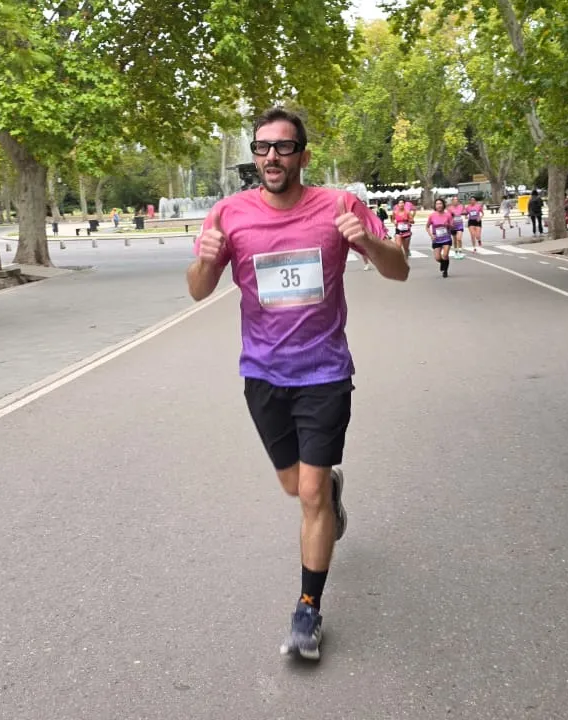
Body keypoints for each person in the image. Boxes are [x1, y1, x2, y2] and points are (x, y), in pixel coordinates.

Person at [186, 107, 409, 662]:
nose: (272, 157)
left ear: (303, 156)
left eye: (284, 147)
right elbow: (198, 289)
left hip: (325, 372)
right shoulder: (229, 214)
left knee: (308, 495)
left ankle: (308, 609)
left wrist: (371, 241)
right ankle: (329, 491)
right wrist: (205, 262)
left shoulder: (339, 206)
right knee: (297, 487)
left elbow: (399, 269)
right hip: (262, 375)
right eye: (262, 147)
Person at [427, 198, 454, 277]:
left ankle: (445, 270)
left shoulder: (448, 215)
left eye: (440, 204)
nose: (439, 205)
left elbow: (453, 226)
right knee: (438, 258)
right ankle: (443, 263)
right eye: (437, 204)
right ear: (435, 206)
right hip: (436, 239)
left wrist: (448, 225)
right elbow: (427, 226)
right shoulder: (432, 215)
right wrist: (431, 235)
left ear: (443, 205)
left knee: (445, 255)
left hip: (446, 238)